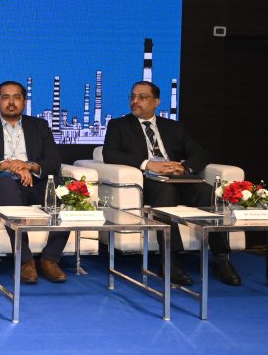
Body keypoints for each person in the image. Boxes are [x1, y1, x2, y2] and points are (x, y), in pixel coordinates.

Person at [103, 80, 240, 286]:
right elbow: (110, 154)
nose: (135, 101)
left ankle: (221, 259)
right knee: (165, 192)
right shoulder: (119, 125)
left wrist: (184, 168)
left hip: (178, 180)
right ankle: (170, 260)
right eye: (133, 96)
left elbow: (201, 153)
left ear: (156, 102)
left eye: (142, 97)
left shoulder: (173, 127)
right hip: (148, 181)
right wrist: (148, 164)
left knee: (207, 192)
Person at [0, 80, 71, 284]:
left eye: (16, 97)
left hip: (36, 182)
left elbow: (53, 160)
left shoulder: (39, 125)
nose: (11, 102)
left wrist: (29, 166)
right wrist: (9, 165)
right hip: (6, 181)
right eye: (5, 97)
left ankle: (50, 259)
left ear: (24, 101)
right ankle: (25, 261)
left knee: (66, 189)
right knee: (5, 185)